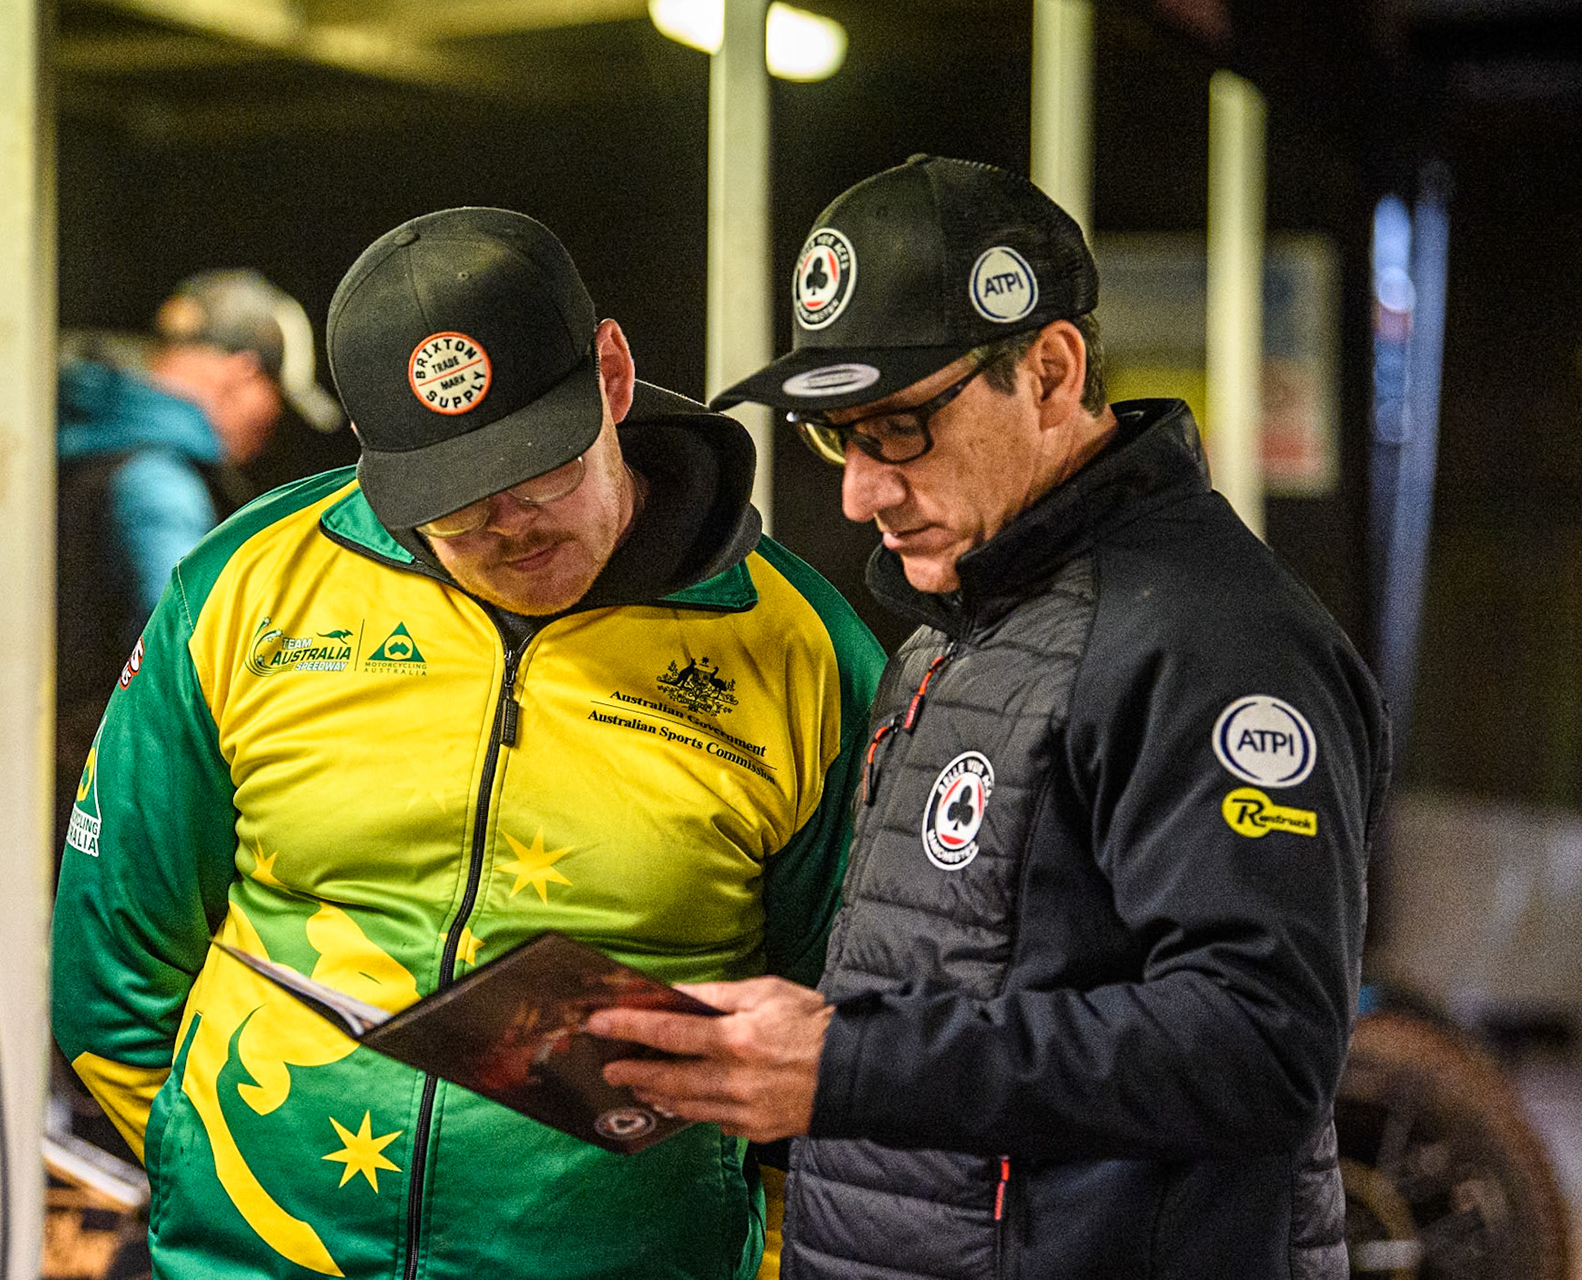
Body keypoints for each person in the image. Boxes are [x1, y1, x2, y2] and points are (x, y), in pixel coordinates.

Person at [589, 156, 1392, 1280]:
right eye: (836, 437)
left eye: (898, 428)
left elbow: (1260, 1046)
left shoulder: (1213, 642)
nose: (860, 493)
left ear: (1051, 371)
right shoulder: (956, 627)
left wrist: (845, 1064)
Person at [51, 206, 884, 1280]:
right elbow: (114, 961)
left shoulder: (802, 648)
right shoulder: (244, 586)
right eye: (456, 507)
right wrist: (210, 1185)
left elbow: (843, 1033)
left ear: (612, 378)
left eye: (542, 476)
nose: (511, 528)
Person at [53, 269, 337, 845]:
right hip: (109, 804)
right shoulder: (162, 483)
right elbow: (191, 654)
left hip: (46, 783)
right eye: (276, 402)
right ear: (243, 374)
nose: (270, 427)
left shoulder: (73, 436)